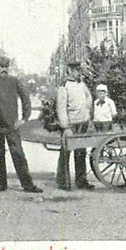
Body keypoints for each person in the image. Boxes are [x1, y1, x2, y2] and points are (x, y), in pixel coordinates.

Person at [0, 55, 42, 193]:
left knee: (18, 155)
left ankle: (28, 185)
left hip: (12, 125)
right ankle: (1, 185)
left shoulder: (14, 81)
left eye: (6, 67)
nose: (4, 70)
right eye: (1, 67)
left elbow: (25, 98)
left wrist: (24, 118)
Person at [55, 61, 94, 190]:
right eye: (77, 71)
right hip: (71, 124)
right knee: (66, 153)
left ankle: (81, 181)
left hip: (83, 122)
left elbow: (89, 98)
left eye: (80, 70)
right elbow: (61, 108)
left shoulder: (82, 84)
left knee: (81, 152)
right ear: (70, 71)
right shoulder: (64, 86)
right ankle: (63, 182)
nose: (79, 73)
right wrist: (65, 127)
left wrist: (86, 112)